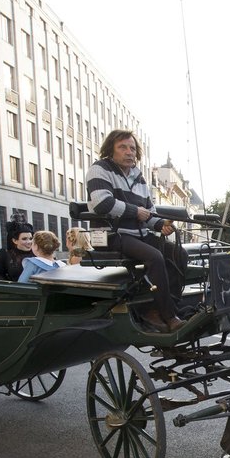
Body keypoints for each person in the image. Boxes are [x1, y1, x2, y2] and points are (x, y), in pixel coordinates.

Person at [86, 129, 185, 332]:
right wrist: (134, 211)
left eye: (132, 148)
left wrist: (161, 225)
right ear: (110, 150)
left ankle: (165, 308)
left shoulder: (139, 178)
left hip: (137, 235)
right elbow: (101, 204)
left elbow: (150, 213)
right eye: (122, 147)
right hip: (111, 235)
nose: (129, 152)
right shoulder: (100, 169)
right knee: (155, 257)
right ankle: (168, 316)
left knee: (178, 253)